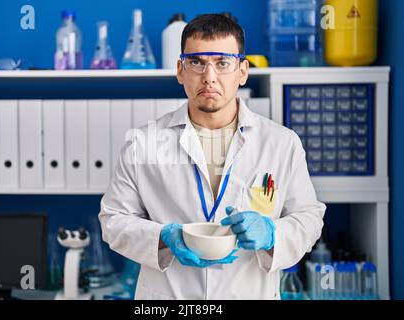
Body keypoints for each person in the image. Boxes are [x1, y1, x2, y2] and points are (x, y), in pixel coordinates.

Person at [99, 14, 326, 299]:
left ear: (243, 71)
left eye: (222, 63)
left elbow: (309, 218)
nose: (209, 76)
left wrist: (272, 234)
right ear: (181, 70)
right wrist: (163, 237)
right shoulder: (143, 143)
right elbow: (113, 220)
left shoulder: (281, 143)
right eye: (196, 62)